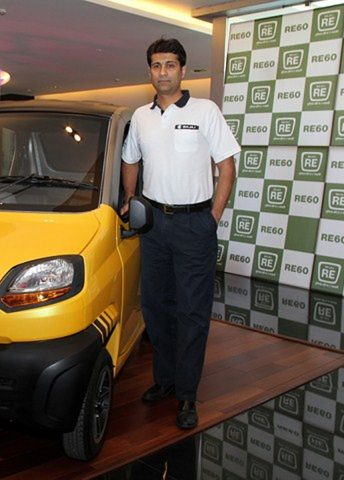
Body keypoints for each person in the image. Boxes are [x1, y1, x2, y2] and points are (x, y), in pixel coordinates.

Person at [121, 37, 240, 429]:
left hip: (194, 225)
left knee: (191, 312)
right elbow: (130, 160)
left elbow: (227, 167)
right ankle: (165, 381)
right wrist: (129, 199)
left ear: (183, 70)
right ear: (150, 71)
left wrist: (213, 217)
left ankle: (187, 395)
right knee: (155, 308)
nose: (163, 72)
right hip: (154, 224)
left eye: (170, 65)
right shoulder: (141, 117)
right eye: (156, 65)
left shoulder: (206, 111)